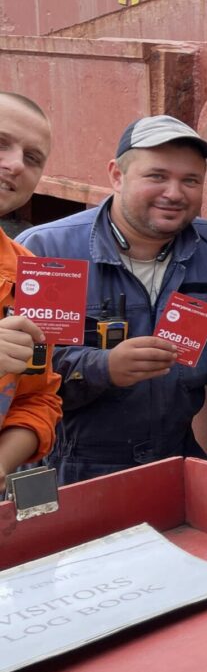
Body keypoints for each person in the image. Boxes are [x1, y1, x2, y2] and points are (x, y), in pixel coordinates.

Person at [18, 114, 207, 485]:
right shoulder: (50, 250)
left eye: (190, 180)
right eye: (157, 176)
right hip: (68, 466)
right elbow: (27, 370)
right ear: (117, 175)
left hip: (173, 455)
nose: (175, 193)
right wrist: (104, 366)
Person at [0, 92, 63, 494]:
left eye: (33, 158)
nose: (16, 164)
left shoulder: (33, 274)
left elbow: (39, 399)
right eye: (1, 143)